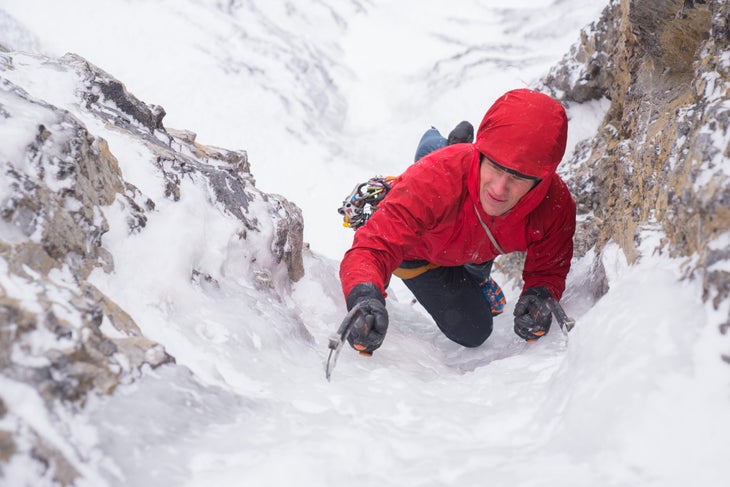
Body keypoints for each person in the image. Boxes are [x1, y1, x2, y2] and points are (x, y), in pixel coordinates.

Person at [339, 88, 576, 355]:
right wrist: (364, 293)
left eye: (518, 177)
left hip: (473, 243)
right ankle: (431, 156)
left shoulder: (555, 205)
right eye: (495, 166)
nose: (499, 188)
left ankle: (452, 148)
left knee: (473, 316)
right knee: (474, 330)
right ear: (481, 153)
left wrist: (540, 294)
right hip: (418, 251)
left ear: (541, 179)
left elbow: (549, 268)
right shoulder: (435, 178)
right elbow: (372, 248)